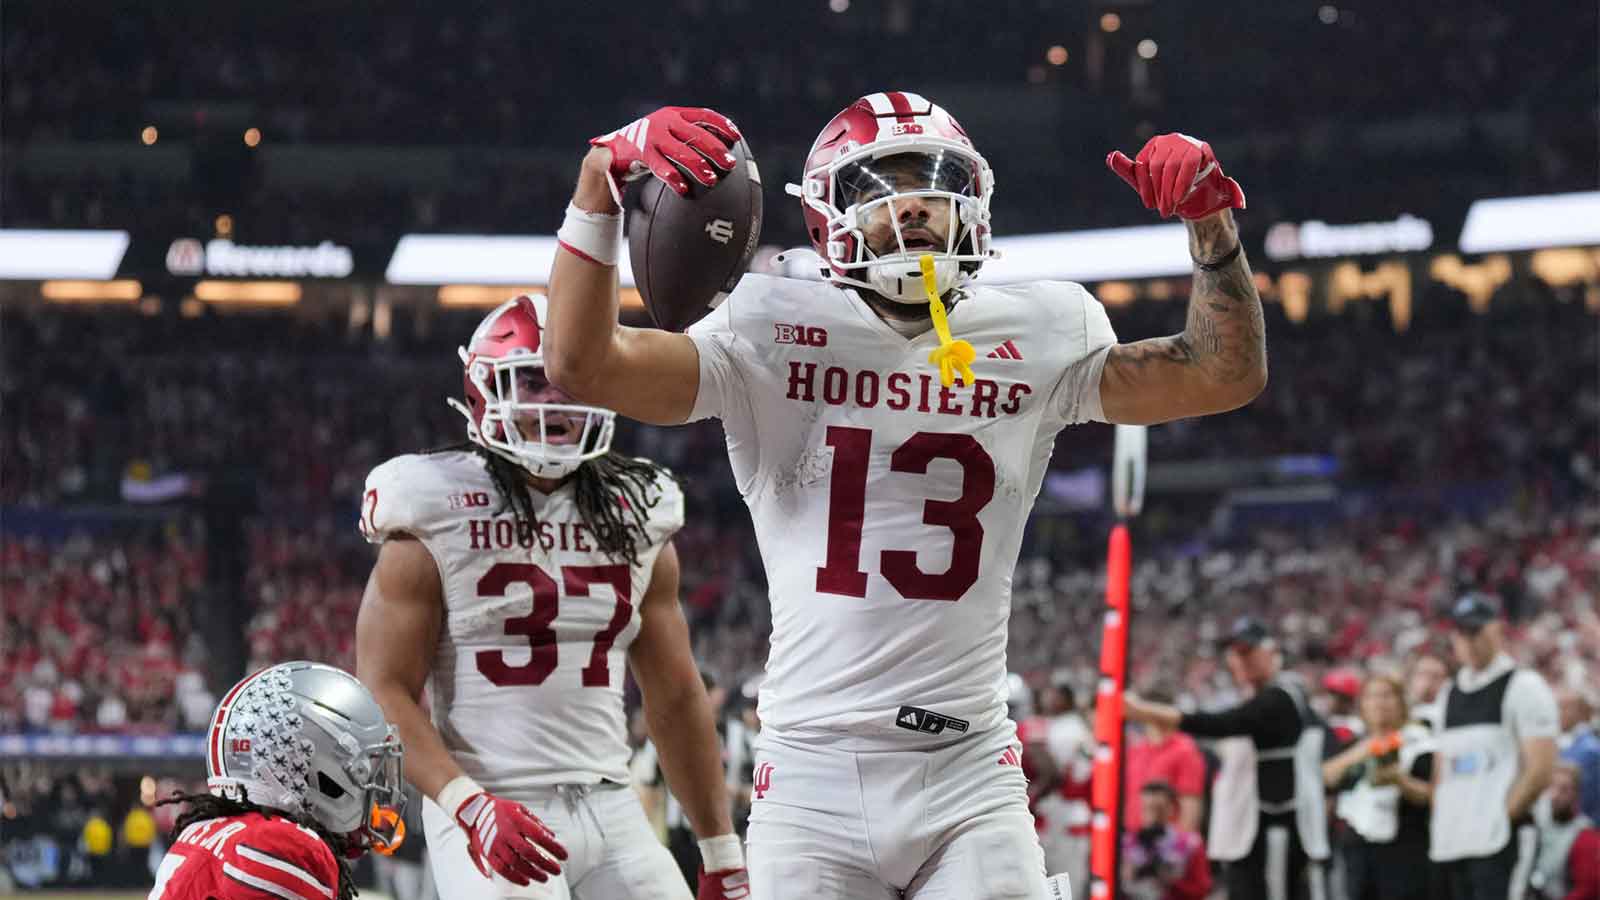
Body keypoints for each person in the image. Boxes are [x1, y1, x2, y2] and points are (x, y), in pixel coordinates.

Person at [544, 93, 1266, 899]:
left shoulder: (1042, 326)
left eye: (934, 179)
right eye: (883, 182)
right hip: (814, 771)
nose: (916, 200)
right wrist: (597, 189)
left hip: (970, 770)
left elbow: (1223, 374)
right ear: (827, 212)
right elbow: (583, 367)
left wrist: (1211, 225)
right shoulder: (769, 324)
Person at [355, 295, 747, 900]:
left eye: (567, 380)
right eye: (533, 382)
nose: (555, 401)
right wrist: (469, 806)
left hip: (612, 802)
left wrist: (721, 851)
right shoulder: (431, 502)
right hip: (491, 800)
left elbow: (674, 692)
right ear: (485, 388)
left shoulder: (636, 509)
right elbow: (383, 690)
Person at [148, 661, 406, 900]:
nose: (374, 784)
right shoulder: (283, 846)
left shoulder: (205, 830)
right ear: (318, 770)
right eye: (364, 769)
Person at [1124, 616, 1329, 900]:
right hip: (1247, 835)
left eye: (1248, 651)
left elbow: (1222, 724)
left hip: (1274, 831)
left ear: (1271, 652)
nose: (1239, 659)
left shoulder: (1282, 697)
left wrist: (1143, 712)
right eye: (1234, 653)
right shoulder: (1260, 699)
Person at [1431, 594, 1559, 900]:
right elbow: (1442, 770)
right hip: (1455, 841)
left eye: (1477, 631)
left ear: (1497, 630)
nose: (1469, 641)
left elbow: (1540, 769)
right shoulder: (1448, 693)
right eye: (1462, 633)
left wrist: (1499, 819)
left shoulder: (1524, 686)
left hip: (1501, 841)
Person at [1321, 672, 1435, 900]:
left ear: (1401, 702)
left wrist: (1399, 780)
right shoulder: (1354, 745)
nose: (1379, 703)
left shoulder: (1421, 742)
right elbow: (1326, 777)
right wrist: (1364, 751)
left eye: (1387, 695)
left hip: (1406, 849)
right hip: (1359, 849)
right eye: (1371, 696)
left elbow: (1432, 794)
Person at [1124, 687, 1207, 834]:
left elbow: (1190, 809)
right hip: (1134, 844)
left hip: (1165, 847)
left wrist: (1177, 850)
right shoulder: (1135, 750)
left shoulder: (1185, 751)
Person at [1120, 781, 1211, 900]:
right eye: (1147, 808)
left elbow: (1201, 888)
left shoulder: (1191, 843)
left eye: (1158, 809)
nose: (1153, 816)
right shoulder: (1127, 843)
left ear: (1172, 808)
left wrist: (1169, 880)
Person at [1532, 763, 1599, 900]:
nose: (1555, 795)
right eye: (1552, 787)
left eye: (1564, 789)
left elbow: (1586, 891)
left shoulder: (1585, 837)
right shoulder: (1537, 825)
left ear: (1576, 794)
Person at [1556, 688, 1600, 823]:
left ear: (1581, 712)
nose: (1559, 713)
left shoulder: (1590, 751)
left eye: (1565, 708)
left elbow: (1586, 799)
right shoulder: (1562, 742)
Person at [1408, 653, 1451, 731]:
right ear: (1412, 677)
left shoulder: (1450, 714)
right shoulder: (1398, 709)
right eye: (1423, 673)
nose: (1428, 681)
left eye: (1435, 676)